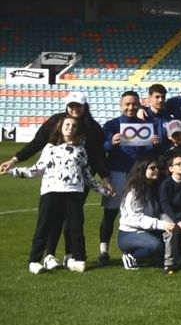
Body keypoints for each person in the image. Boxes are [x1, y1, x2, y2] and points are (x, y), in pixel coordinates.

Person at [7, 115, 109, 274]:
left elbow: (87, 175)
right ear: (60, 127)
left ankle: (78, 258)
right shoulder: (49, 148)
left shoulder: (81, 150)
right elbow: (36, 170)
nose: (70, 127)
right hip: (51, 191)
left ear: (78, 130)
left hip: (74, 193)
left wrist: (102, 190)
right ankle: (35, 261)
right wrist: (12, 171)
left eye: (74, 126)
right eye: (67, 124)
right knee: (44, 226)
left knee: (76, 226)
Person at [100, 91, 164, 260]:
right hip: (117, 172)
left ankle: (141, 244)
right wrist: (110, 143)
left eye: (134, 104)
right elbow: (102, 149)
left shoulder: (145, 124)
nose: (131, 107)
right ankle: (103, 250)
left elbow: (148, 153)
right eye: (127, 104)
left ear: (139, 105)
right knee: (111, 212)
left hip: (139, 175)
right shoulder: (112, 125)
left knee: (139, 210)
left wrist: (154, 144)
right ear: (121, 105)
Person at [116, 157, 171, 271]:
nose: (156, 170)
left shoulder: (153, 188)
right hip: (129, 233)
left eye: (157, 168)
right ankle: (131, 257)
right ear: (142, 170)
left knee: (169, 243)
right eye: (152, 168)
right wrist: (162, 225)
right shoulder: (133, 192)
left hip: (148, 230)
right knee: (156, 246)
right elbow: (137, 218)